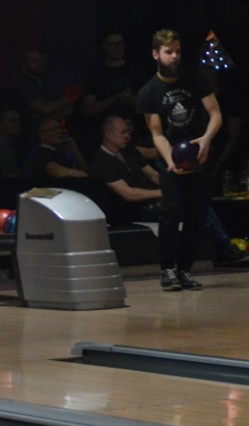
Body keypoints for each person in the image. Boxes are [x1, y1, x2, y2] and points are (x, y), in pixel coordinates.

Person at [137, 28, 222, 291]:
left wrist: (206, 139)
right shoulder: (149, 92)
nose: (174, 56)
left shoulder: (194, 78)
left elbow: (215, 113)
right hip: (171, 159)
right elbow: (157, 133)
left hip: (199, 155)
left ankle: (185, 269)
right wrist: (171, 161)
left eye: (178, 51)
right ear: (156, 54)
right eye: (169, 52)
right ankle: (167, 269)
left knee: (197, 214)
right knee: (171, 212)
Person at [89, 116, 162, 223]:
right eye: (123, 132)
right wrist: (162, 193)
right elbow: (128, 194)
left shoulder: (129, 150)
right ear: (109, 135)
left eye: (127, 132)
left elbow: (152, 175)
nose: (128, 136)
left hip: (151, 198)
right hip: (129, 210)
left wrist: (171, 186)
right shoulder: (101, 161)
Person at [22, 118, 89, 188]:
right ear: (41, 135)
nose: (60, 131)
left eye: (60, 128)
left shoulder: (59, 152)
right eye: (54, 129)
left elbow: (85, 169)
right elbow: (53, 169)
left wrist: (74, 149)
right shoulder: (41, 152)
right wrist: (74, 173)